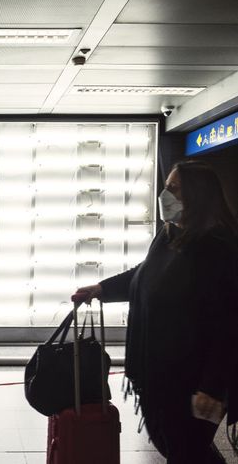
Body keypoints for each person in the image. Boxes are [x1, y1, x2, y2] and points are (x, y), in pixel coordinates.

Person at [73, 160, 238, 464]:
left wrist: (211, 388)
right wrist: (102, 289)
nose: (165, 195)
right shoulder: (170, 235)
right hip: (155, 375)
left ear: (197, 195)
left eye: (174, 188)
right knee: (176, 446)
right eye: (165, 186)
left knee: (186, 450)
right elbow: (144, 275)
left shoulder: (217, 249)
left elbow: (228, 327)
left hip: (192, 383)